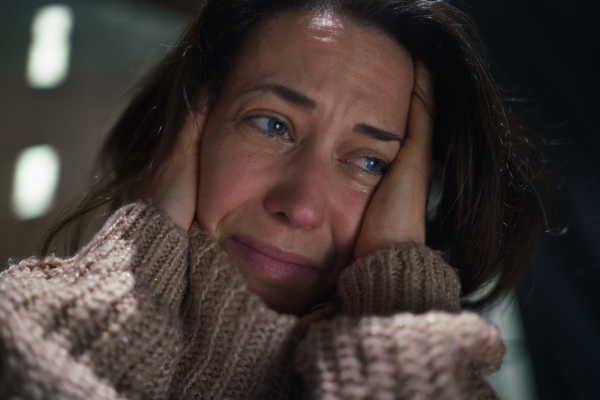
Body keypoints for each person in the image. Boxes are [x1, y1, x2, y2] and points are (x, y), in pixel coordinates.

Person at [0, 0, 550, 398]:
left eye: (369, 162)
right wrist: (138, 265)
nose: (302, 205)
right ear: (192, 126)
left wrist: (396, 305)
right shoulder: (21, 316)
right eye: (272, 125)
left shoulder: (448, 384)